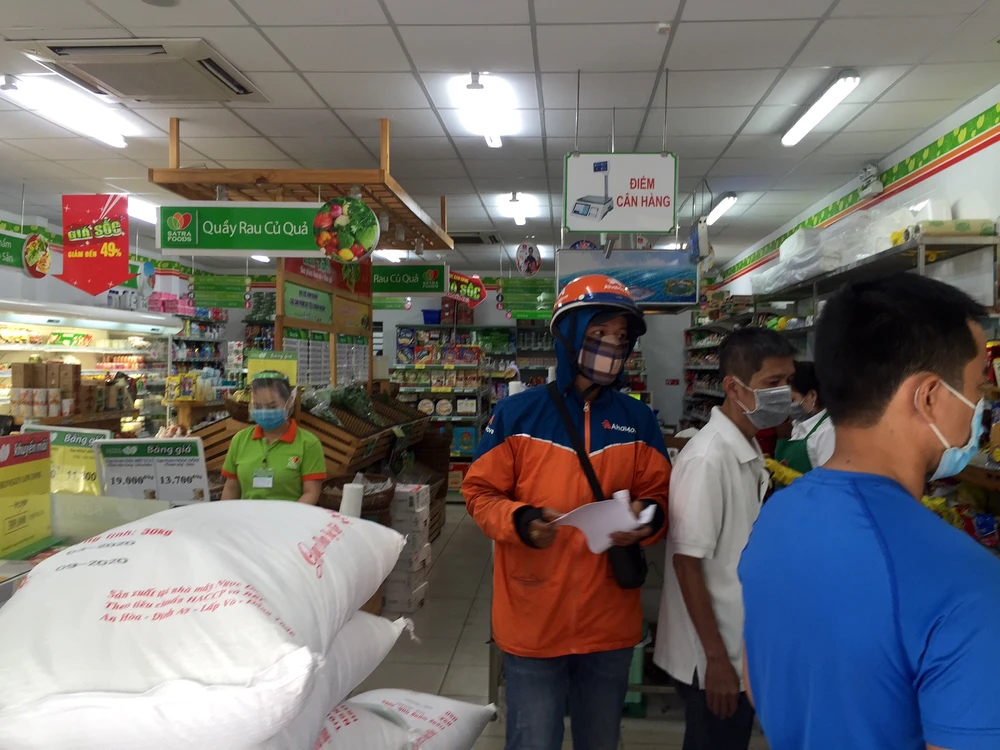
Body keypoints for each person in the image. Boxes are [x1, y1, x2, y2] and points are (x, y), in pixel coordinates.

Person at [739, 274, 1000, 750]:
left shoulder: (776, 518)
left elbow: (756, 679)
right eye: (977, 387)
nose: (980, 407)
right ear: (929, 396)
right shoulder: (966, 581)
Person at [463, 275, 671, 750]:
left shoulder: (638, 420)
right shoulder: (517, 416)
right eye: (599, 333)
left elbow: (660, 498)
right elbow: (479, 492)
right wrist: (521, 521)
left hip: (608, 619)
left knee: (600, 739)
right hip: (534, 616)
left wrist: (645, 519)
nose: (612, 346)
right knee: (534, 739)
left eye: (621, 336)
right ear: (568, 336)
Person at [655, 327, 796, 750]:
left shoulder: (745, 451)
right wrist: (716, 659)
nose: (785, 394)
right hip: (713, 659)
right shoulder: (707, 459)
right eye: (773, 383)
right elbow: (687, 563)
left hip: (738, 648)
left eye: (788, 381)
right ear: (734, 388)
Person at [221, 371, 325, 502]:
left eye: (272, 406)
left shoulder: (308, 443)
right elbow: (231, 488)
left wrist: (288, 515)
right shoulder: (240, 440)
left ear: (289, 402)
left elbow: (311, 493)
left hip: (290, 514)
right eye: (258, 406)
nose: (264, 412)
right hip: (247, 514)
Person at [774, 360, 835, 472]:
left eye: (792, 400)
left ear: (812, 395)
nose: (788, 407)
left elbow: (828, 478)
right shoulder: (799, 424)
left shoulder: (828, 431)